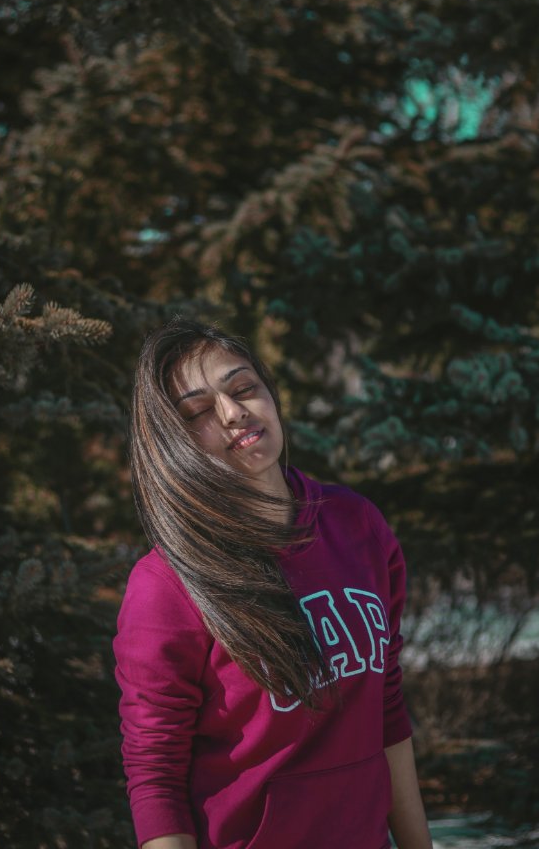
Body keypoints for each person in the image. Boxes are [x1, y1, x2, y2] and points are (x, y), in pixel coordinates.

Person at [113, 317, 433, 849]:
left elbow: (386, 710)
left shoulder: (356, 525)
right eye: (198, 412)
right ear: (174, 444)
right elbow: (156, 778)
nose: (233, 412)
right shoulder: (164, 585)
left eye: (243, 389)